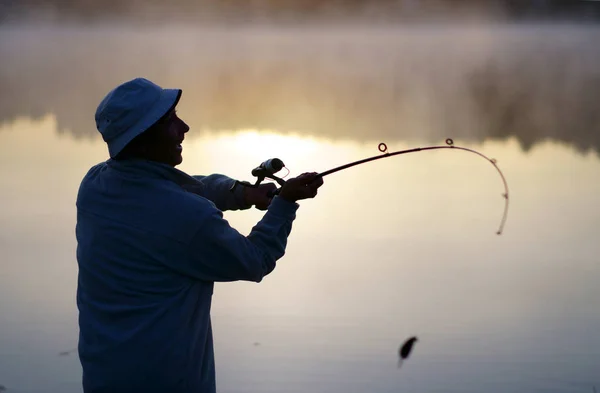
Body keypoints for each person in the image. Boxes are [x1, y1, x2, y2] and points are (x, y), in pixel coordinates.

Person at [75, 77, 324, 393]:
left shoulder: (95, 186)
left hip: (104, 379)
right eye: (170, 121)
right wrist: (285, 203)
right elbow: (255, 260)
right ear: (144, 137)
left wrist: (242, 192)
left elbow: (180, 187)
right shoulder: (188, 218)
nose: (184, 127)